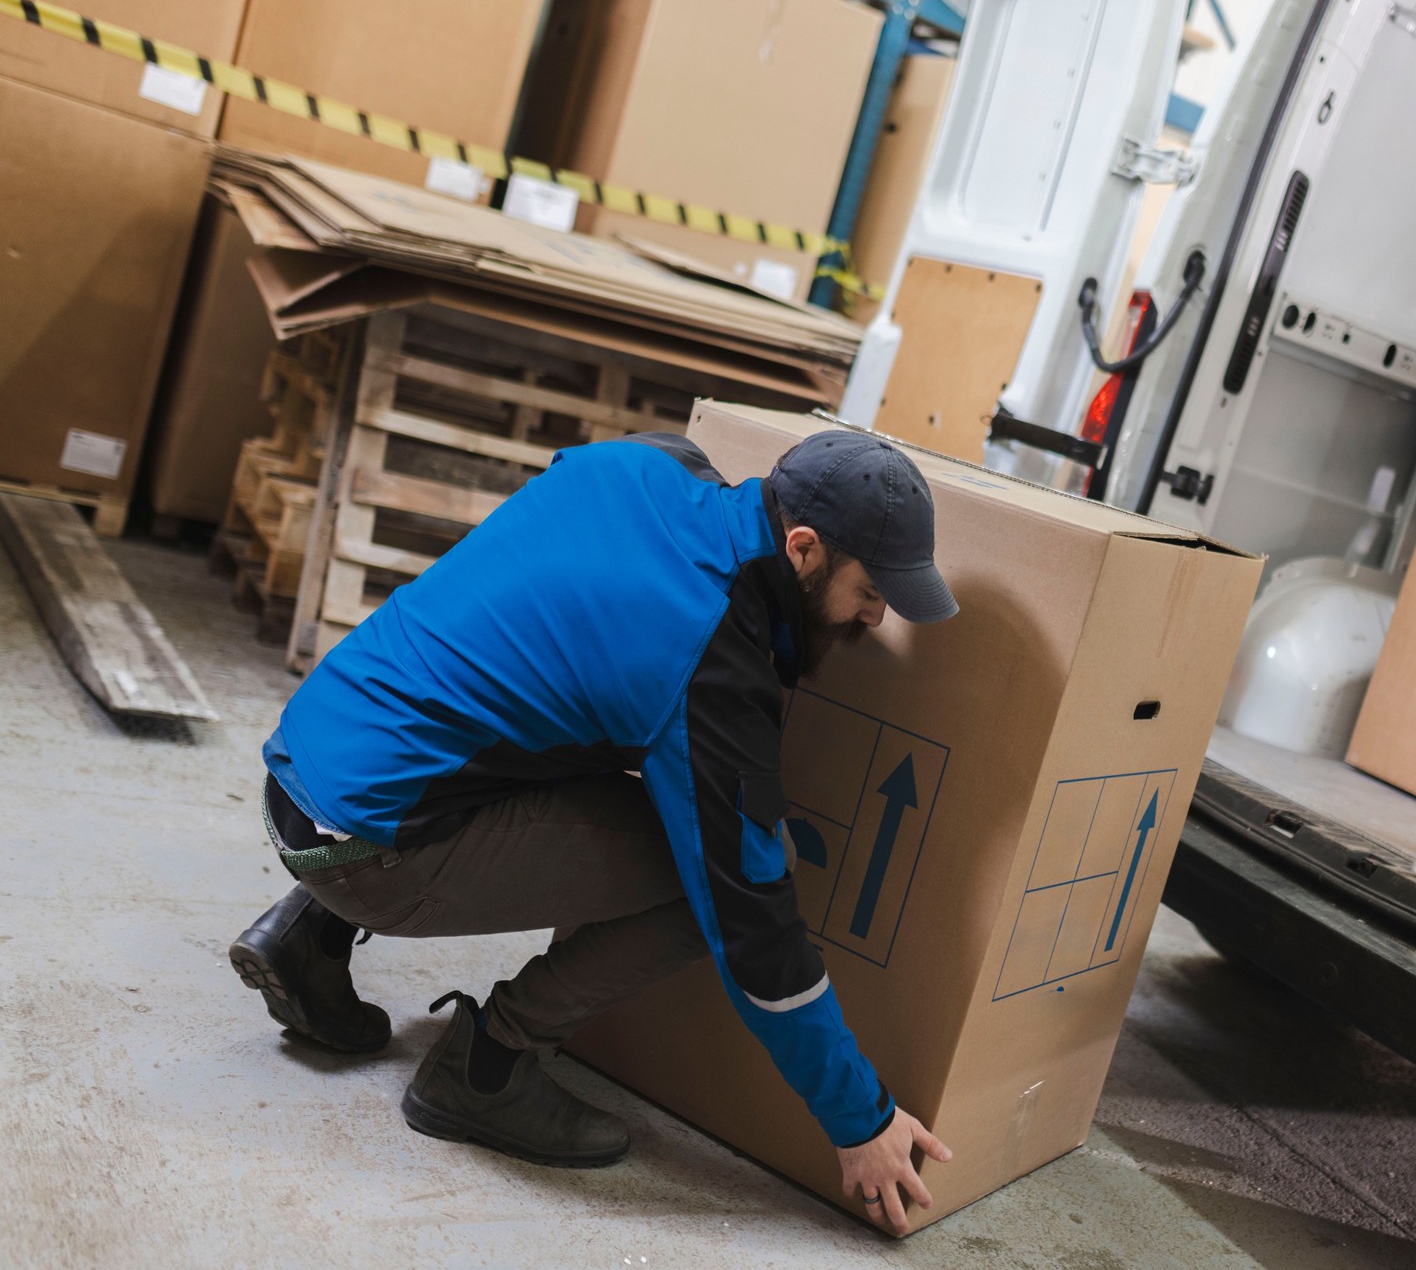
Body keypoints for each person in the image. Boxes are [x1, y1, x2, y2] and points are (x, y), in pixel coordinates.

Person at [228, 426, 957, 1232]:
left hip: (308, 764)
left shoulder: (649, 463)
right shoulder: (714, 661)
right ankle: (490, 1063)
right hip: (369, 850)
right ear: (804, 548)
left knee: (556, 706)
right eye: (869, 588)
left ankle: (305, 937)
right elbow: (757, 932)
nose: (877, 613)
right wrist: (862, 1120)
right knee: (719, 880)